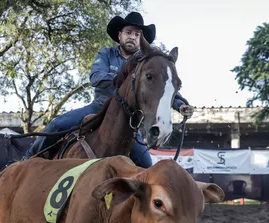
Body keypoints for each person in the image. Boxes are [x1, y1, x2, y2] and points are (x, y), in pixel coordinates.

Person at [22, 11, 194, 168]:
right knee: (57, 124)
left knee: (147, 166)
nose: (132, 37)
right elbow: (95, 77)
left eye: (137, 34)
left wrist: (180, 105)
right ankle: (26, 161)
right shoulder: (106, 54)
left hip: (129, 120)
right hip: (99, 108)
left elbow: (161, 87)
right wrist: (119, 79)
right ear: (119, 35)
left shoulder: (146, 64)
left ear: (142, 40)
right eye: (128, 32)